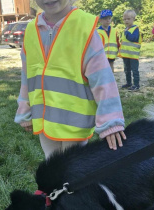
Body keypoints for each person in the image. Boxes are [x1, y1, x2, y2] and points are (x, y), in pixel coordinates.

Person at [14, 0, 126, 159]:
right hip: (44, 117)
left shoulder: (83, 27)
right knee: (52, 165)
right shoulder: (31, 30)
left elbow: (102, 77)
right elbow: (27, 74)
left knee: (73, 169)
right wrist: (24, 108)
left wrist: (111, 120)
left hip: (74, 121)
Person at [118, 10, 142, 92]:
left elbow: (133, 38)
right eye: (124, 19)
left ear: (133, 19)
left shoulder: (135, 29)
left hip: (133, 55)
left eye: (128, 19)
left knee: (134, 70)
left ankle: (136, 85)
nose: (126, 21)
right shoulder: (126, 29)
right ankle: (129, 83)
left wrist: (127, 33)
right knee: (126, 69)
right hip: (126, 55)